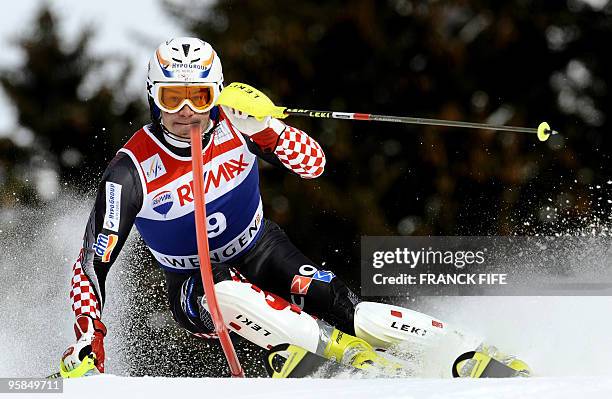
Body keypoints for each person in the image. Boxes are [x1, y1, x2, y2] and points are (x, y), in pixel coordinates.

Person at [60, 37, 515, 378]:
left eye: (198, 96)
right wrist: (89, 336)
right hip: (193, 285)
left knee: (345, 306)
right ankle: (328, 354)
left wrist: (268, 129)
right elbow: (90, 265)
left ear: (216, 94)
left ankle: (463, 351)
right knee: (225, 293)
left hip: (261, 249)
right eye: (170, 96)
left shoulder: (236, 125)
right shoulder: (132, 169)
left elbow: (315, 165)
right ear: (152, 97)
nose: (185, 111)